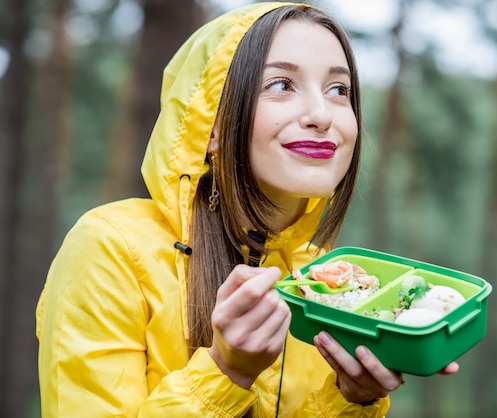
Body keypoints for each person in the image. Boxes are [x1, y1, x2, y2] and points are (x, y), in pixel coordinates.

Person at [36, 2, 458, 417]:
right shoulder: (110, 249)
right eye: (281, 85)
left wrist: (351, 399)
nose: (320, 114)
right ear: (211, 126)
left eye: (338, 90)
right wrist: (225, 373)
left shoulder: (323, 282)